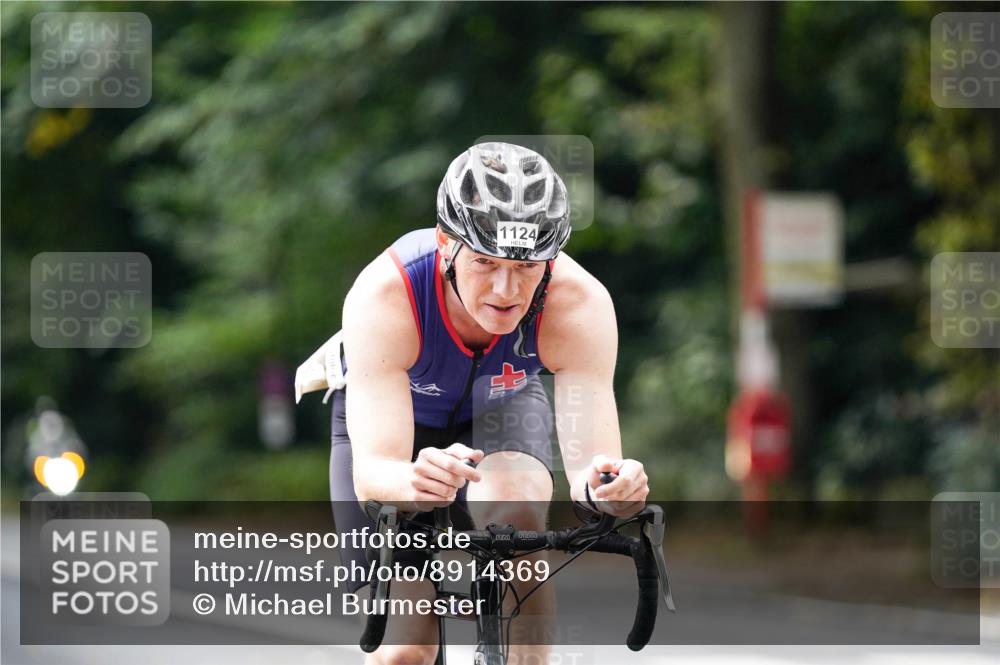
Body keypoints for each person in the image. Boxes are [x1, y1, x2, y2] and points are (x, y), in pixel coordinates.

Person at [298, 142, 650, 665]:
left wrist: (612, 489)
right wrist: (411, 481)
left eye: (527, 266)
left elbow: (589, 470)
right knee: (407, 650)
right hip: (395, 429)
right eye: (485, 262)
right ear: (447, 244)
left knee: (520, 521)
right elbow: (376, 470)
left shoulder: (578, 303)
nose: (507, 289)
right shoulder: (385, 294)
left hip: (503, 404)